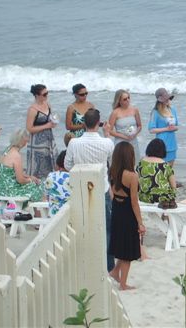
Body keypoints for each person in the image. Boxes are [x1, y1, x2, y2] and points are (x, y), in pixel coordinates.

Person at [65, 108, 115, 271]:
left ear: (84, 123)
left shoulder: (74, 143)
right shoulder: (107, 143)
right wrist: (107, 134)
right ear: (98, 123)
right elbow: (111, 162)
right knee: (106, 228)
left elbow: (68, 165)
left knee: (82, 226)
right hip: (102, 187)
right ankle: (107, 265)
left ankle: (83, 261)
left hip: (80, 187)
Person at [108, 142, 145, 291]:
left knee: (121, 246)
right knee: (128, 250)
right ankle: (123, 284)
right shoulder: (132, 176)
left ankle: (115, 272)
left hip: (117, 211)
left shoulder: (112, 172)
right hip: (128, 213)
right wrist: (140, 222)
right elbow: (134, 202)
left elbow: (112, 193)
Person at [0, 128, 44, 202]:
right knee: (39, 185)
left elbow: (12, 173)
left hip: (2, 189)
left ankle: (36, 207)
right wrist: (30, 180)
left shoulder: (7, 150)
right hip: (10, 192)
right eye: (26, 141)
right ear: (22, 140)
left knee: (34, 183)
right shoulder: (16, 155)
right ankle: (40, 208)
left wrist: (30, 177)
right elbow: (20, 180)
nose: (26, 143)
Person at [25, 84, 58, 181]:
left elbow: (49, 118)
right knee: (37, 166)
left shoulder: (47, 104)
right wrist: (46, 126)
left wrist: (53, 121)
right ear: (37, 95)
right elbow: (29, 128)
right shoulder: (33, 109)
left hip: (49, 139)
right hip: (37, 142)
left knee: (50, 161)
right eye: (44, 94)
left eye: (47, 93)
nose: (46, 95)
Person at [136, 139, 177, 208]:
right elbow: (173, 185)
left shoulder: (141, 163)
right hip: (163, 198)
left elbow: (136, 181)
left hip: (145, 197)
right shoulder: (165, 165)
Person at [148, 88, 179, 168]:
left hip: (172, 143)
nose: (168, 100)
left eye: (168, 98)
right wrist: (166, 129)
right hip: (161, 144)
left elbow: (177, 126)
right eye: (166, 98)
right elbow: (151, 130)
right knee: (161, 169)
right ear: (160, 100)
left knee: (170, 169)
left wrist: (173, 128)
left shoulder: (173, 110)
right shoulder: (155, 112)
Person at [108, 89, 142, 160]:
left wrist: (135, 134)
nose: (128, 100)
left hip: (133, 141)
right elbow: (109, 130)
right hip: (120, 142)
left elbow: (139, 126)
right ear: (119, 101)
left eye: (128, 98)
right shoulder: (115, 113)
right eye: (125, 99)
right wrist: (124, 137)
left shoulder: (135, 110)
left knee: (134, 161)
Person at [44, 150, 71, 216]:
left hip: (53, 217)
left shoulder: (51, 176)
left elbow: (46, 197)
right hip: (72, 217)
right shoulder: (75, 177)